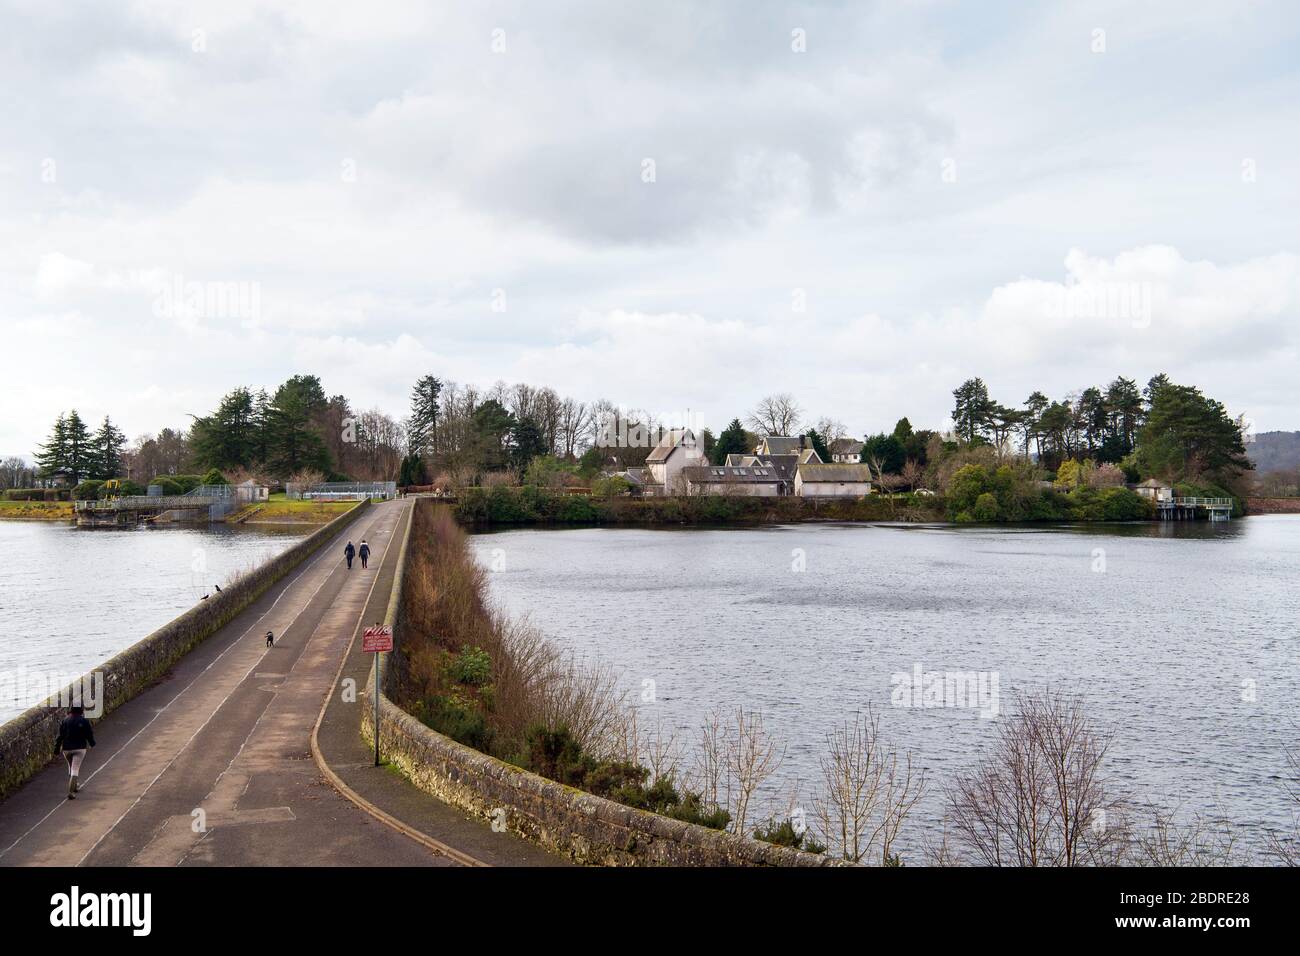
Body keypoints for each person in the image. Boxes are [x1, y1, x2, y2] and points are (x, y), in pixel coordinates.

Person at [55, 705, 95, 799]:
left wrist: (56, 749)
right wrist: (92, 744)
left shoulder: (65, 721)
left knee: (71, 766)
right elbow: (89, 734)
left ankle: (75, 785)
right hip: (80, 748)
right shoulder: (84, 721)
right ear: (81, 710)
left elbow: (60, 736)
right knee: (75, 769)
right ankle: (71, 791)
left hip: (66, 749)